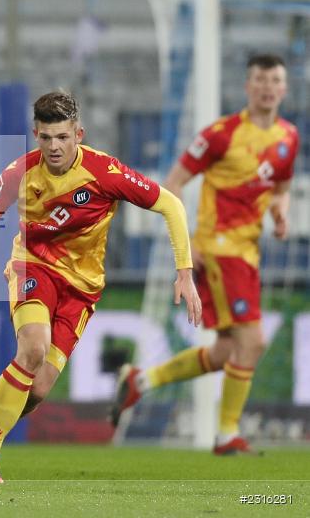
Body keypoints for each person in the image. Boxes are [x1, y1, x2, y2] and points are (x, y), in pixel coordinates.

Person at [0, 91, 201, 483]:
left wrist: (184, 271)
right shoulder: (21, 171)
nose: (54, 147)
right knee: (32, 347)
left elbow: (171, 205)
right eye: (46, 138)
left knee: (40, 389)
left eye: (62, 137)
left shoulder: (105, 173)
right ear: (36, 135)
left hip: (82, 288)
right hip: (33, 266)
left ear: (78, 134)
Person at [110, 54, 299, 455]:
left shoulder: (288, 138)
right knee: (253, 341)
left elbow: (281, 186)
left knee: (227, 351)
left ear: (284, 89)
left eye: (275, 80)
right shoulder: (220, 134)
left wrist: (281, 211)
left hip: (248, 250)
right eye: (260, 80)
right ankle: (227, 434)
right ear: (248, 87)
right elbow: (174, 182)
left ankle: (140, 381)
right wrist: (184, 241)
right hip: (218, 248)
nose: (267, 87)